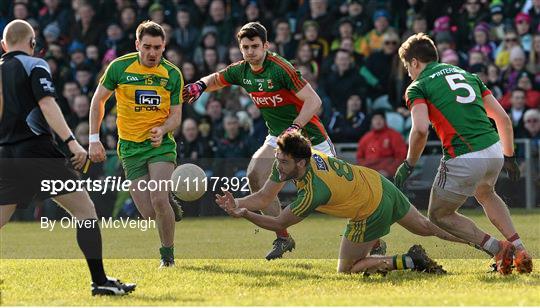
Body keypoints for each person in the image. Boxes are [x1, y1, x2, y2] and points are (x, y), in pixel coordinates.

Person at [0, 19, 135, 296]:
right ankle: (100, 281)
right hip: (36, 152)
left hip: (5, 155)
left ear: (3, 45)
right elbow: (47, 104)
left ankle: (101, 281)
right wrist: (72, 143)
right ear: (33, 44)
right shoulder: (34, 64)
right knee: (85, 210)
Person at [183, 22, 334, 260]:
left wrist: (294, 128)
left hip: (310, 138)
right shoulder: (241, 70)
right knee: (254, 174)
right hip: (278, 137)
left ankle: (375, 241)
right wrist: (200, 85)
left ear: (266, 45)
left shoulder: (280, 68)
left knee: (334, 196)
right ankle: (283, 237)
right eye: (245, 47)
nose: (250, 51)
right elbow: (216, 78)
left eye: (255, 46)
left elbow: (314, 101)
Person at [216, 132, 467, 275]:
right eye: (278, 159)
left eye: (283, 162)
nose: (278, 166)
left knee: (346, 269)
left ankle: (410, 261)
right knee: (424, 225)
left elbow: (279, 221)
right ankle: (481, 242)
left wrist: (244, 213)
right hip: (379, 183)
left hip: (370, 209)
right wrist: (236, 202)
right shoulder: (300, 157)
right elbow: (264, 197)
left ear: (300, 163)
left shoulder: (315, 191)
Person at [395, 33, 533, 275]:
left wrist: (408, 164)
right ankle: (520, 249)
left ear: (415, 62)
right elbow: (503, 119)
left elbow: (419, 130)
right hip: (493, 150)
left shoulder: (418, 86)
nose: (408, 72)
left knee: (438, 214)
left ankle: (498, 249)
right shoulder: (468, 75)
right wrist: (509, 156)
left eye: (407, 67)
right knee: (487, 193)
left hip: (464, 155)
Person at [88, 21, 183, 268]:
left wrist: (163, 129)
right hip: (129, 148)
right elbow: (98, 100)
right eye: (147, 47)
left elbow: (176, 116)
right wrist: (93, 139)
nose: (152, 53)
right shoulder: (119, 67)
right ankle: (168, 201)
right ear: (137, 44)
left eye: (158, 48)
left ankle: (168, 257)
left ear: (164, 47)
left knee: (158, 200)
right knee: (149, 212)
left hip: (160, 146)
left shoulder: (172, 74)